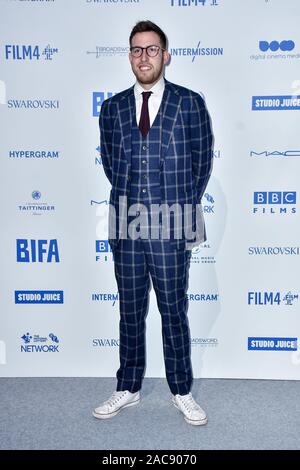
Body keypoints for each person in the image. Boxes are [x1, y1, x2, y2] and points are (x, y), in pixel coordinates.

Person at [93, 20, 213, 426]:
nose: (144, 57)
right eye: (136, 50)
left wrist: (179, 208)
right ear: (130, 56)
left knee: (173, 310)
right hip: (125, 222)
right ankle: (128, 386)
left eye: (151, 49)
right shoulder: (111, 109)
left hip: (173, 222)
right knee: (129, 310)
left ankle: (181, 390)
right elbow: (110, 164)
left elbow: (201, 163)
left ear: (166, 55)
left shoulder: (190, 103)